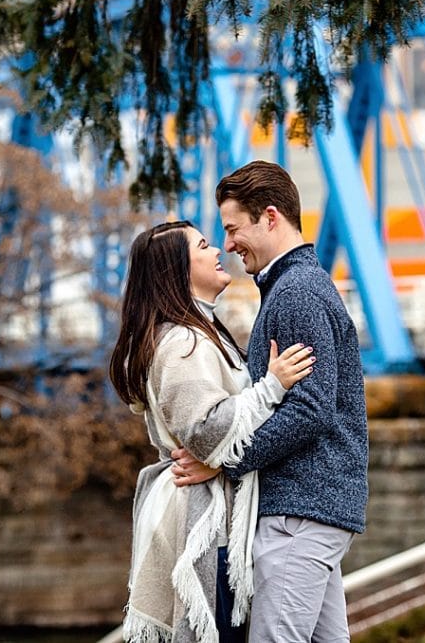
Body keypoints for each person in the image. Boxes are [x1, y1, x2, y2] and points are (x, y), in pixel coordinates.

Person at [172, 160, 369, 642]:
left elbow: (310, 408)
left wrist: (225, 462)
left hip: (299, 513)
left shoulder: (296, 293)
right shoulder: (295, 287)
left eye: (234, 228)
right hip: (314, 507)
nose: (230, 244)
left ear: (271, 217)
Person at [108, 220, 316, 643]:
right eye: (203, 245)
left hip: (209, 513)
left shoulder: (198, 332)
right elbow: (205, 431)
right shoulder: (182, 342)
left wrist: (217, 462)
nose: (218, 250)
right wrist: (272, 386)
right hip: (203, 524)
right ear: (177, 271)